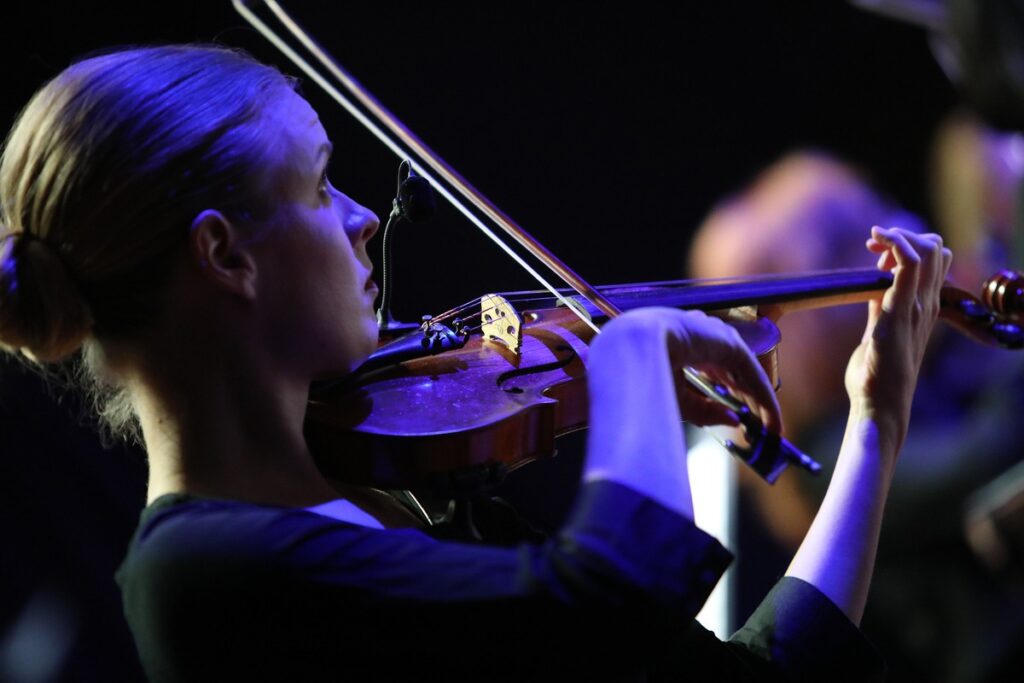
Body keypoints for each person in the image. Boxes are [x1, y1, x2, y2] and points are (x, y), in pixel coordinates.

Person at [0, 45, 950, 681]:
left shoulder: (373, 499)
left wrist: (877, 425)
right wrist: (629, 356)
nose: (363, 221)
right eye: (321, 186)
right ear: (225, 256)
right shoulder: (202, 574)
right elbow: (604, 596)